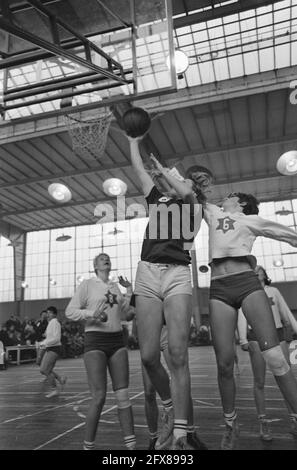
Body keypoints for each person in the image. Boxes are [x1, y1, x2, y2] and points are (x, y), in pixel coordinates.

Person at [195, 181, 297, 450]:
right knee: (225, 363)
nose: (224, 198)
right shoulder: (211, 212)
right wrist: (164, 172)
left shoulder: (249, 219)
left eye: (229, 196)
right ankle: (230, 424)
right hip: (219, 287)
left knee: (274, 356)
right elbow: (186, 192)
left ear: (239, 203)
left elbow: (282, 232)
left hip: (246, 282)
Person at [128, 136, 203, 450]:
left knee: (177, 353)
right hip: (147, 272)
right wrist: (134, 141)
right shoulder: (155, 196)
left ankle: (182, 434)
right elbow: (137, 169)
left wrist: (161, 166)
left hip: (176, 275)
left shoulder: (191, 202)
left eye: (181, 176)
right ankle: (171, 406)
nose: (179, 179)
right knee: (147, 356)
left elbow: (185, 188)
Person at [65, 253, 136, 451]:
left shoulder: (114, 287)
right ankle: (88, 447)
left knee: (123, 396)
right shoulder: (87, 285)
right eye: (102, 258)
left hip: (117, 340)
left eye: (108, 258)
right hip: (95, 340)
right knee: (99, 396)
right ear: (95, 265)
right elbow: (70, 311)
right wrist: (91, 314)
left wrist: (129, 290)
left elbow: (126, 311)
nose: (107, 259)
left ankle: (131, 448)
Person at [238, 265, 297, 440]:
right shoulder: (246, 294)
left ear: (264, 274)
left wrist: (295, 328)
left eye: (260, 270)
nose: (257, 271)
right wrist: (243, 338)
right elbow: (242, 314)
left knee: (287, 379)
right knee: (259, 381)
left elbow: (285, 312)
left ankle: (294, 419)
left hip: (278, 336)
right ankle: (263, 423)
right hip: (256, 337)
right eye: (253, 270)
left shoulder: (274, 291)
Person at [141, 325, 207, 450]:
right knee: (149, 392)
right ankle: (153, 437)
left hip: (166, 326)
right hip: (148, 325)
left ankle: (190, 433)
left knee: (180, 382)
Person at [39, 306, 67, 398]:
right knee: (46, 370)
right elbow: (50, 337)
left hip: (54, 349)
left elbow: (56, 338)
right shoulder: (50, 323)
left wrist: (43, 343)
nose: (48, 314)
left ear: (54, 314)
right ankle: (60, 379)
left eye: (50, 312)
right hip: (50, 348)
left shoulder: (55, 322)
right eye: (47, 312)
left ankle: (54, 389)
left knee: (44, 370)